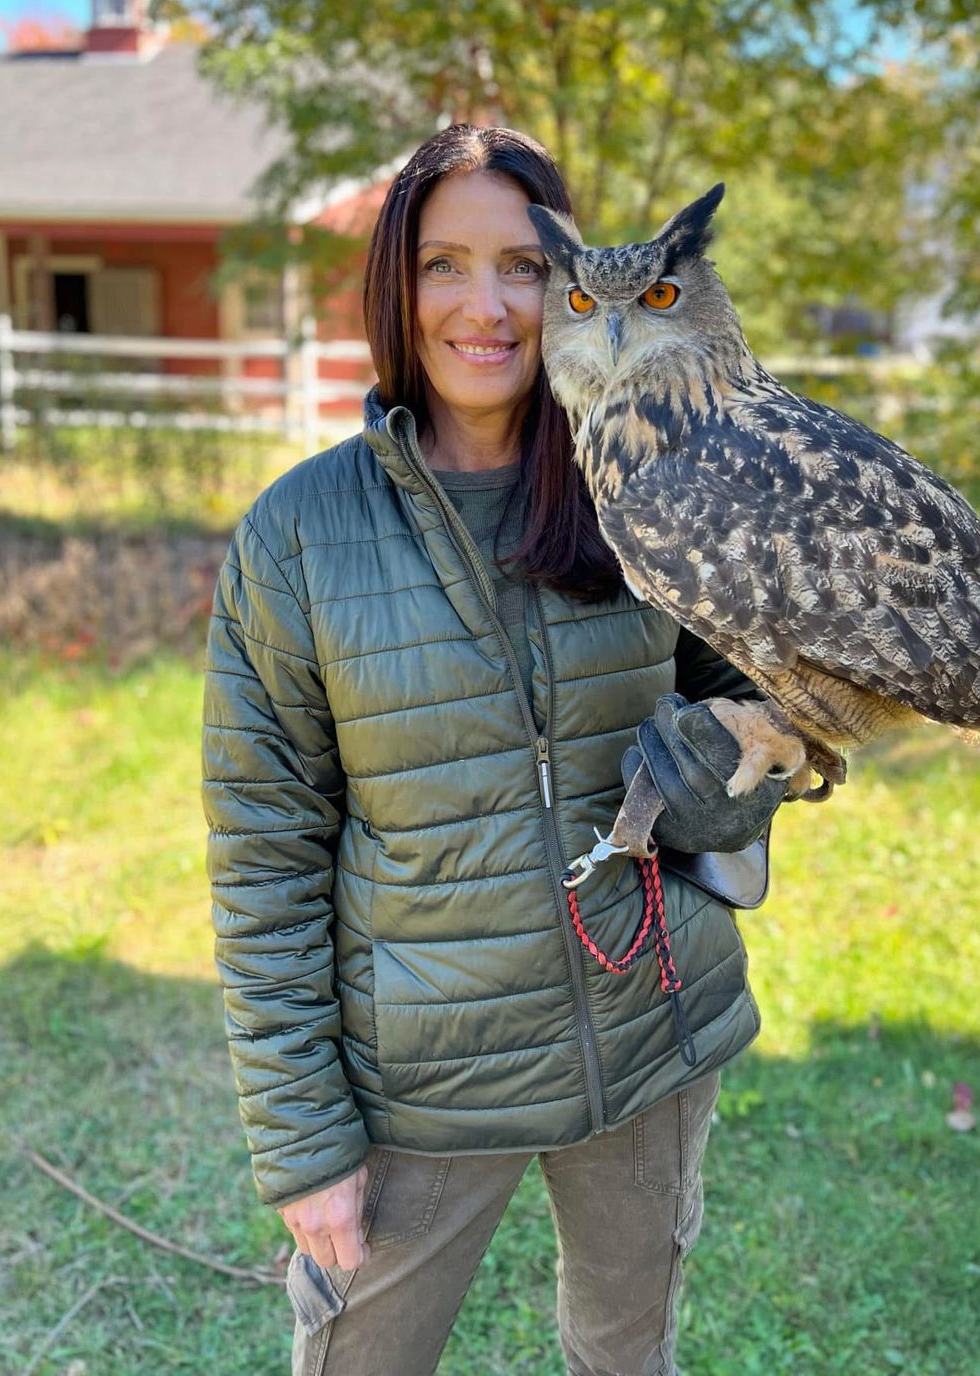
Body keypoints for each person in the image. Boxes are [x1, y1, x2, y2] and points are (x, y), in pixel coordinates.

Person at [201, 123, 791, 1376]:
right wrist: (307, 1140)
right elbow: (263, 856)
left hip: (648, 1034)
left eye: (524, 267)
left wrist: (729, 787)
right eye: (442, 264)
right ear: (394, 288)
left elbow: (761, 710)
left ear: (573, 284)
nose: (487, 305)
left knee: (627, 1361)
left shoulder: (649, 487)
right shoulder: (299, 537)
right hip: (420, 1080)